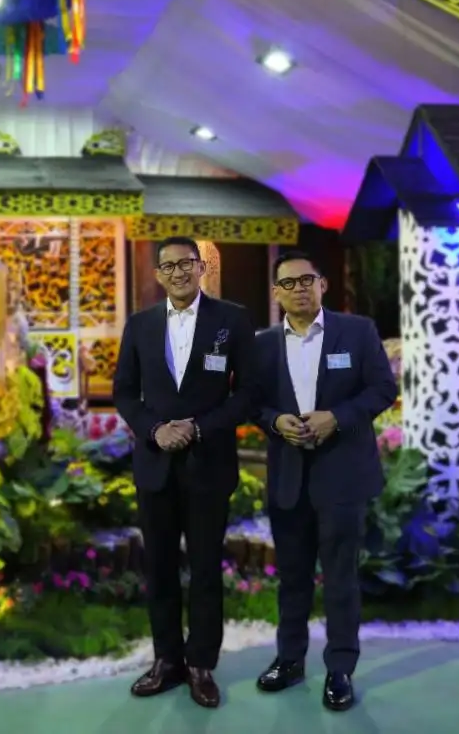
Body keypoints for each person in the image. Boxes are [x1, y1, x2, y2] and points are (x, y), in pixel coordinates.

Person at [112, 236, 256, 709]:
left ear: (201, 268)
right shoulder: (139, 325)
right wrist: (155, 430)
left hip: (208, 463)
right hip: (155, 465)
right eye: (168, 266)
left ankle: (201, 665)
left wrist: (197, 428)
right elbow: (125, 392)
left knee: (206, 569)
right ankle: (167, 661)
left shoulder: (231, 320)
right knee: (159, 568)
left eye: (185, 264)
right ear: (158, 274)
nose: (177, 272)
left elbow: (247, 394)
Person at [251, 249, 398, 711]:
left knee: (340, 578)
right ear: (275, 293)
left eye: (306, 280)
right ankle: (290, 660)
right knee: (292, 577)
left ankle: (340, 669)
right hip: (288, 477)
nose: (298, 289)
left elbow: (383, 389)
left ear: (322, 285)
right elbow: (252, 402)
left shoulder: (357, 332)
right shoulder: (261, 345)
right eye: (288, 283)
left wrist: (337, 416)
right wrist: (275, 422)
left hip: (343, 476)